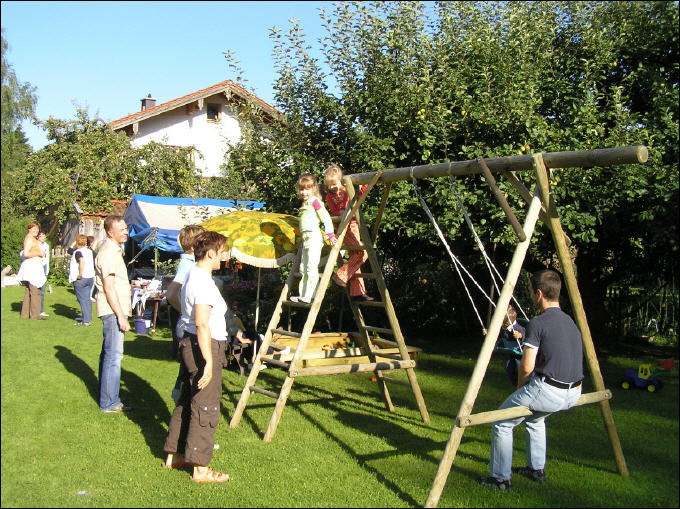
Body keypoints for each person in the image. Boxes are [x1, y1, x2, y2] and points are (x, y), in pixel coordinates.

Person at [478, 269, 584, 490]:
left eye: (530, 291)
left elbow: (526, 366)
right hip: (574, 392)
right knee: (535, 420)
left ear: (539, 294)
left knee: (502, 422)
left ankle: (500, 479)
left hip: (550, 391)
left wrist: (519, 389)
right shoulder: (571, 322)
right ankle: (536, 470)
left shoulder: (537, 323)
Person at [162, 231, 231, 483]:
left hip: (191, 343)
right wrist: (209, 361)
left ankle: (175, 455)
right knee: (206, 406)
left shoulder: (193, 274)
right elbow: (202, 323)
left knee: (186, 401)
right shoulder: (202, 281)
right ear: (210, 253)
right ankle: (201, 469)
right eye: (221, 251)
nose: (224, 256)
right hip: (204, 346)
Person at [94, 215, 132, 413]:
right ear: (110, 232)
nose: (126, 232)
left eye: (126, 228)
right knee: (113, 356)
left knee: (108, 354)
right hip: (112, 310)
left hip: (114, 309)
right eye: (121, 230)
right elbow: (109, 288)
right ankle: (109, 402)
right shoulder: (108, 253)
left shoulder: (115, 250)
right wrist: (120, 316)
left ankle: (107, 395)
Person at [323, 164, 374, 301]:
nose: (332, 187)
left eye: (334, 184)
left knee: (355, 256)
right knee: (362, 254)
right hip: (343, 228)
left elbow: (358, 197)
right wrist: (341, 213)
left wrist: (367, 183)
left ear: (341, 180)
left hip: (353, 226)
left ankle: (357, 292)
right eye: (329, 185)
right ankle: (341, 275)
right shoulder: (329, 197)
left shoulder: (347, 191)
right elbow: (335, 212)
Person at [166, 224, 205, 402]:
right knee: (190, 366)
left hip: (189, 323)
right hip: (188, 324)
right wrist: (187, 313)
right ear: (195, 244)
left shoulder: (191, 264)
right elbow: (171, 294)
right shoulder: (187, 266)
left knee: (188, 365)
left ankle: (183, 398)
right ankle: (182, 397)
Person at [290, 173, 337, 303]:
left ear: (314, 189)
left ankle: (312, 295)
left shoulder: (315, 201)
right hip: (306, 239)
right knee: (303, 268)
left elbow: (326, 218)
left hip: (314, 238)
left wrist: (330, 235)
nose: (304, 192)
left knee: (311, 267)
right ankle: (303, 294)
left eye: (307, 189)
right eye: (301, 189)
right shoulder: (305, 203)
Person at [17, 221, 46, 320]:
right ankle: (35, 315)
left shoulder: (32, 238)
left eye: (37, 229)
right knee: (35, 290)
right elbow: (26, 253)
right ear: (29, 229)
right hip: (32, 267)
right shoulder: (29, 238)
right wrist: (39, 254)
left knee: (29, 290)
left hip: (33, 266)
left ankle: (25, 314)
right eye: (33, 228)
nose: (36, 231)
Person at [69, 234, 96, 327]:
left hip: (82, 278)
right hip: (90, 277)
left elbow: (81, 261)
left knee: (82, 299)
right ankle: (87, 317)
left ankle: (86, 320)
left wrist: (80, 274)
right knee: (87, 299)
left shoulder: (78, 252)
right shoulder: (89, 251)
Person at [496, 304, 526, 386]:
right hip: (509, 352)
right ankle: (515, 384)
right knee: (508, 367)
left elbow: (526, 335)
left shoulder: (517, 328)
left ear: (507, 323)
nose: (501, 325)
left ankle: (521, 383)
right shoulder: (503, 328)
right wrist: (488, 332)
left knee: (519, 368)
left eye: (503, 323)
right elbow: (497, 334)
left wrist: (520, 335)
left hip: (518, 353)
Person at [38, 231, 50, 317]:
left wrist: (47, 270)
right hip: (38, 270)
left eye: (43, 236)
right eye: (41, 236)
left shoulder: (46, 245)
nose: (42, 237)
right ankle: (35, 309)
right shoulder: (36, 245)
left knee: (42, 292)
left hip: (44, 271)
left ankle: (40, 310)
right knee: (36, 291)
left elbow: (47, 259)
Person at [87, 236, 97, 303]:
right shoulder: (89, 251)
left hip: (92, 268)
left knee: (92, 283)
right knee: (91, 283)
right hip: (91, 268)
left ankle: (89, 296)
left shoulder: (90, 250)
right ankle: (89, 296)